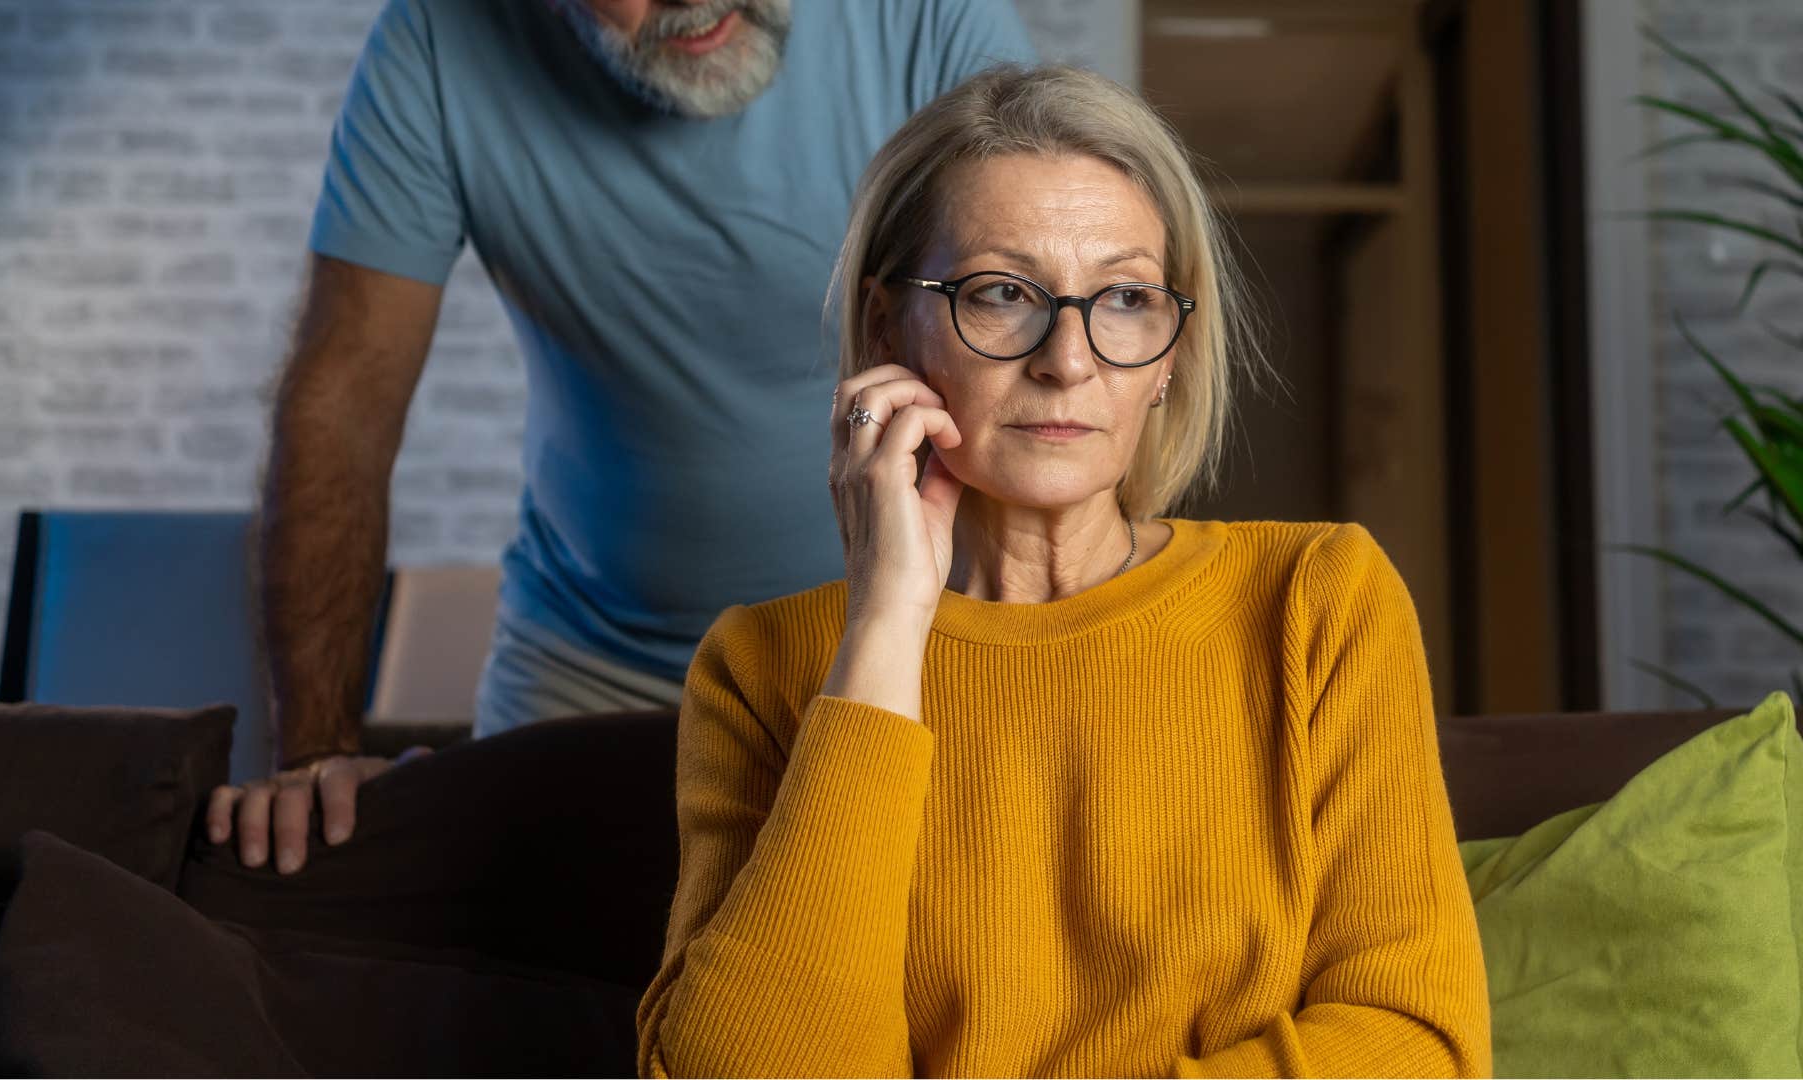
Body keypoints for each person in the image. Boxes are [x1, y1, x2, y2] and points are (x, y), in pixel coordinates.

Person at [635, 64, 1493, 1076]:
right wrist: (885, 624)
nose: (1069, 360)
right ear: (885, 328)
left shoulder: (1318, 599)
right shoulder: (761, 665)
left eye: (1125, 298)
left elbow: (1417, 1045)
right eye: (1003, 293)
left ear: (1173, 349)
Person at [204, 0, 1037, 874]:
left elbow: (1049, 336)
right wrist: (312, 754)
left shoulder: (935, 16)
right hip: (590, 662)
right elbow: (344, 405)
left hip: (918, 638)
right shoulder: (434, 41)